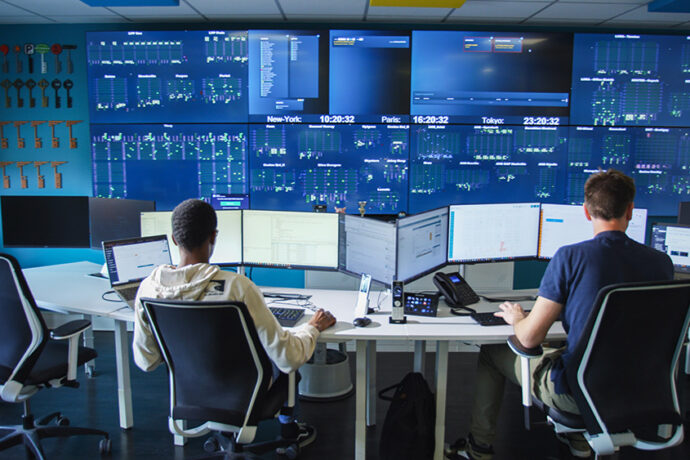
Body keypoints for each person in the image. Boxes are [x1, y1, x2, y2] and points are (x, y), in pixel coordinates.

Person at [446, 169, 674, 460]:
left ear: (587, 212)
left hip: (579, 396)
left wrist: (517, 317)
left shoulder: (570, 257)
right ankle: (580, 442)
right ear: (630, 209)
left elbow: (529, 337)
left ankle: (478, 449)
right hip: (643, 393)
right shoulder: (661, 264)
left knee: (492, 352)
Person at [132, 198, 336, 447]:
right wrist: (311, 327)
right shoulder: (237, 287)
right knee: (281, 362)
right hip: (246, 395)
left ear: (174, 239)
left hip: (190, 393)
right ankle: (289, 430)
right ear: (213, 237)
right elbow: (288, 357)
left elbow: (147, 361)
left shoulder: (148, 289)